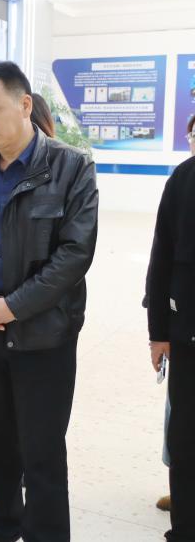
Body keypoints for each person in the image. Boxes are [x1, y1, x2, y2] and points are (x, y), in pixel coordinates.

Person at [0, 61, 98, 542]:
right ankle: (3, 525)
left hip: (43, 332)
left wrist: (13, 306)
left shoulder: (71, 167)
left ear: (25, 104)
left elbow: (74, 255)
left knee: (42, 451)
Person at [147, 117, 195, 541]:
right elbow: (161, 257)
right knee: (184, 438)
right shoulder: (183, 179)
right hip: (187, 336)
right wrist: (158, 332)